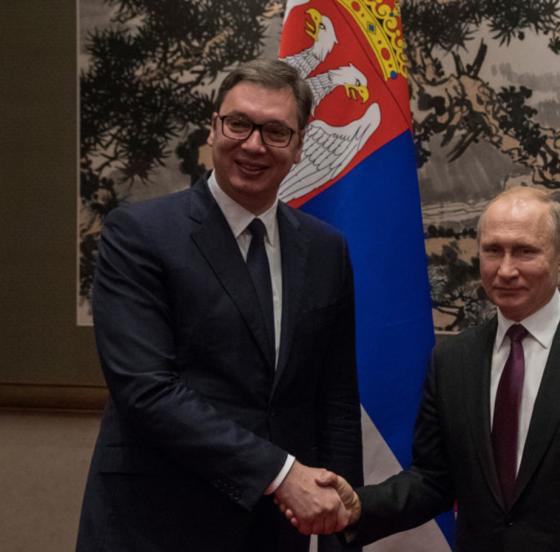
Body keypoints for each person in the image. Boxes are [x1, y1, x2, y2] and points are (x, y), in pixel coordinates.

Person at [76, 59, 362, 552]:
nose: (253, 144)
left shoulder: (325, 250)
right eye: (239, 124)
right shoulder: (140, 234)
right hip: (157, 524)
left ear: (299, 146)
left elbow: (334, 397)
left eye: (275, 131)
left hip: (277, 532)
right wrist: (281, 474)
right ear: (213, 128)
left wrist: (341, 518)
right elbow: (147, 390)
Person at [304, 186, 560, 550]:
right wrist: (359, 506)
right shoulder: (453, 359)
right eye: (493, 250)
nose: (506, 270)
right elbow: (433, 479)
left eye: (525, 251)